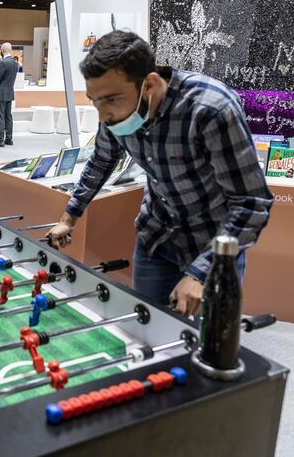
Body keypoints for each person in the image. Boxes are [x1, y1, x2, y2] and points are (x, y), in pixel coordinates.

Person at [45, 31, 273, 316]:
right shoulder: (115, 111)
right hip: (156, 237)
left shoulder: (211, 109)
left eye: (111, 100)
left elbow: (252, 202)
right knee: (149, 332)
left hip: (211, 246)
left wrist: (201, 273)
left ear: (149, 84)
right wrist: (70, 218)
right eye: (94, 101)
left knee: (207, 348)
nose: (102, 114)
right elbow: (102, 159)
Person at [0, 42, 19, 147]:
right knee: (8, 116)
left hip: (1, 93)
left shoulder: (3, 63)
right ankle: (9, 138)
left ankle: (0, 139)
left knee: (0, 117)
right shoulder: (15, 63)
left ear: (2, 50)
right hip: (9, 93)